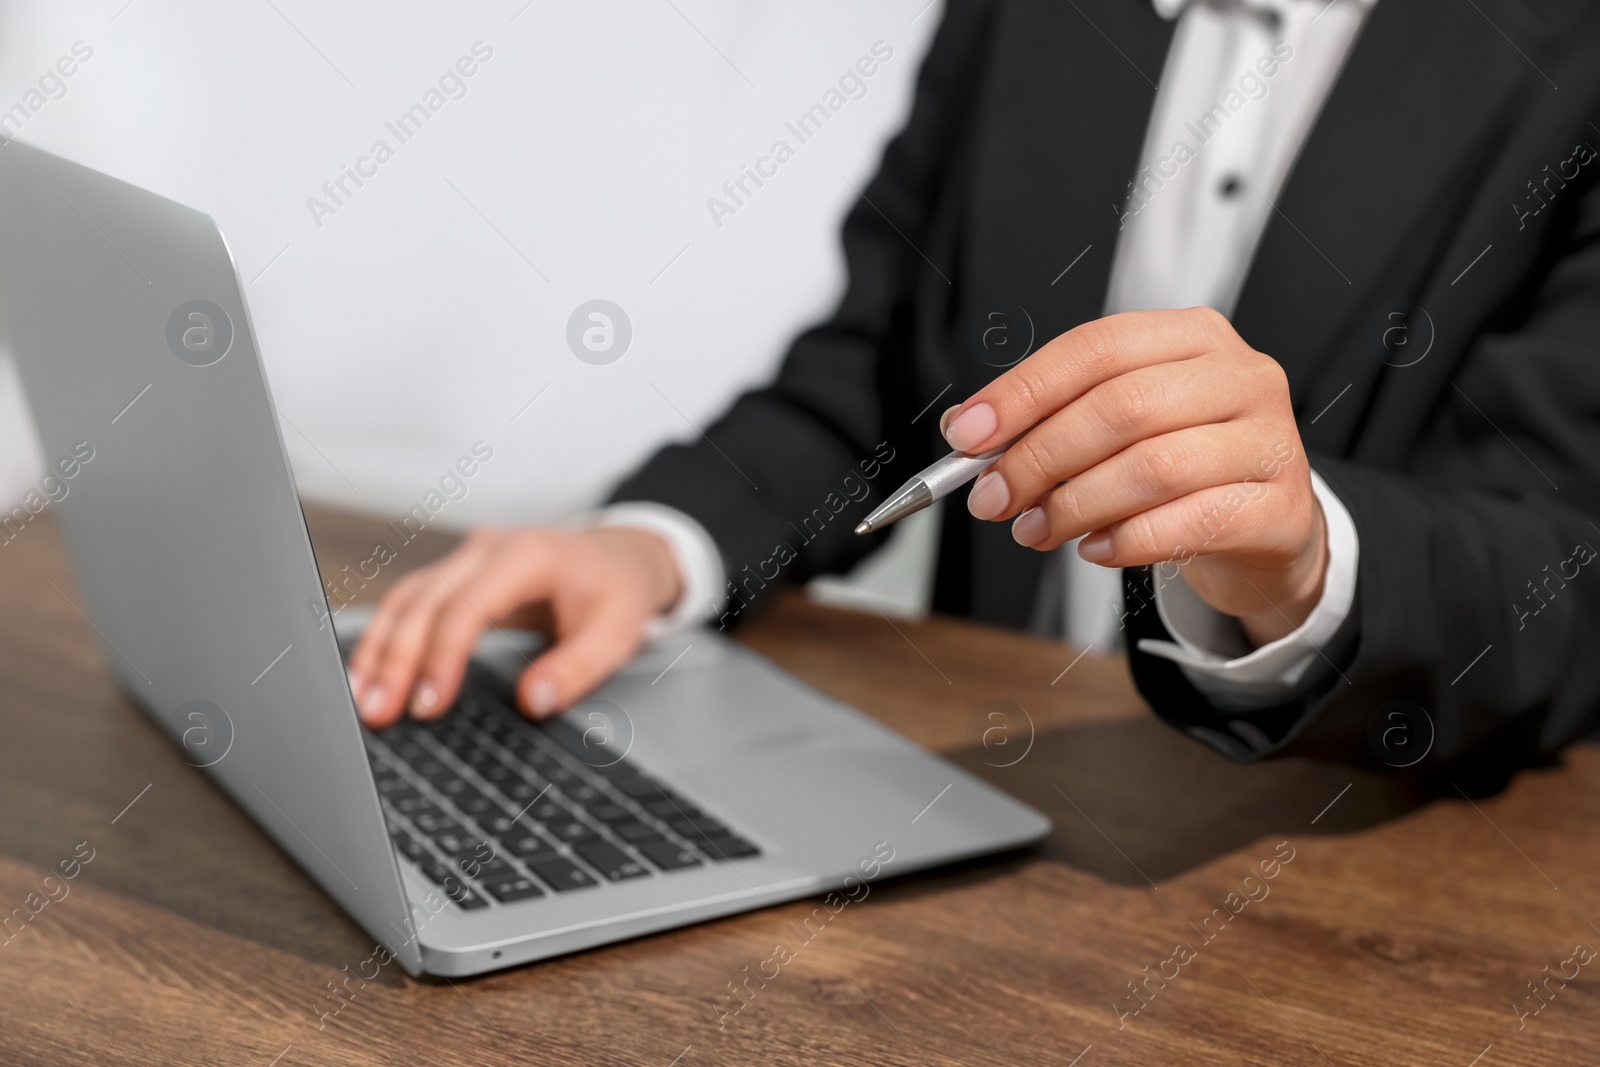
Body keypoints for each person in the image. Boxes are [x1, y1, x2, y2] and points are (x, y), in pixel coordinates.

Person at [349, 0, 1600, 784]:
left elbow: (1566, 562)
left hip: (1348, 858)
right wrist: (653, 544)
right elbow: (876, 377)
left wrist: (1305, 561)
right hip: (980, 797)